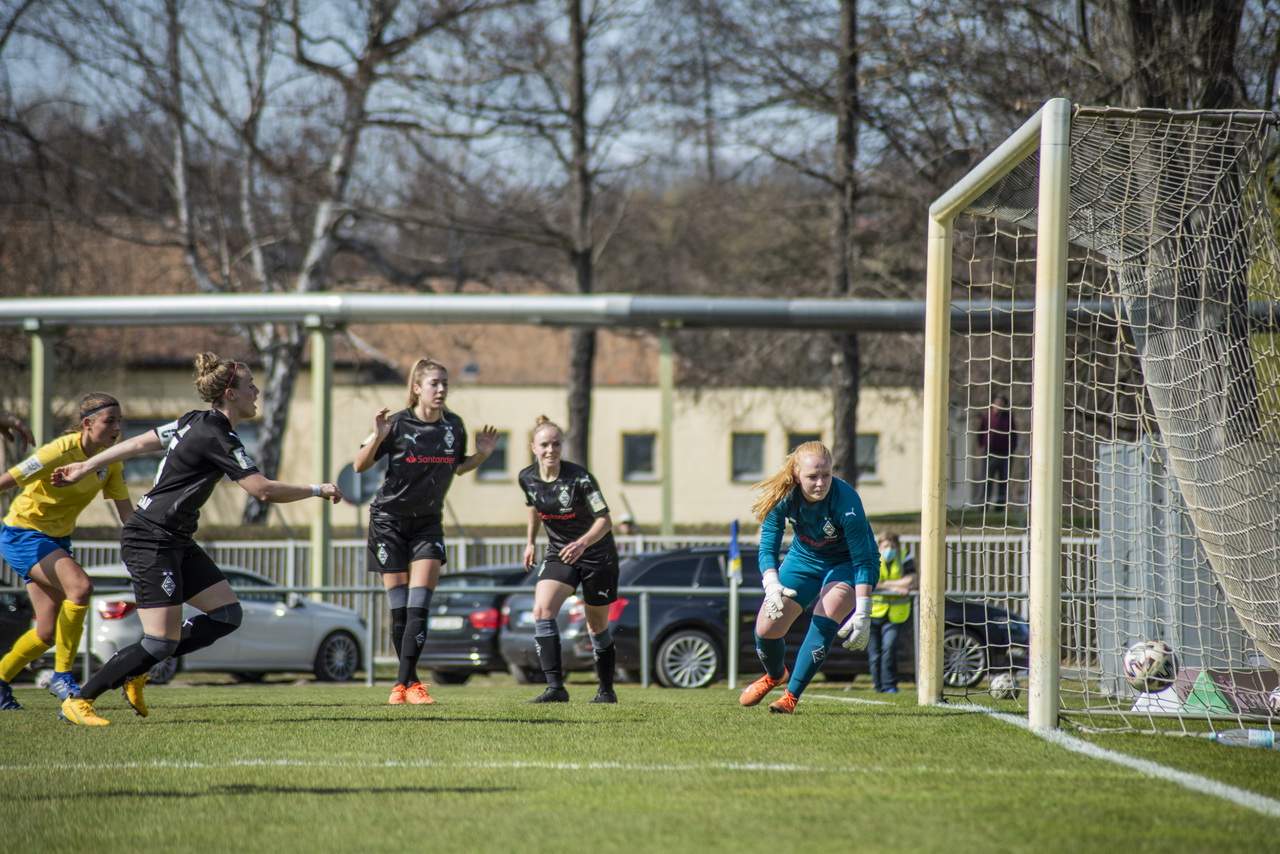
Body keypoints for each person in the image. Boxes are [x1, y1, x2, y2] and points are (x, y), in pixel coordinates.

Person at [51, 353, 342, 726]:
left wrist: (87, 465)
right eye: (250, 385)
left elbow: (142, 442)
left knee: (226, 615)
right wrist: (317, 488)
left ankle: (140, 670)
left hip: (176, 538)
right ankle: (79, 700)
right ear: (230, 393)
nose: (256, 391)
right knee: (159, 641)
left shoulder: (194, 421)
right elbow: (262, 491)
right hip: (150, 538)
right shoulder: (215, 433)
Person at [354, 357, 497, 706]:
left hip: (427, 523)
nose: (442, 389)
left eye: (445, 383)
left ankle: (406, 685)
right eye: (435, 383)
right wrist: (378, 435)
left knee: (420, 605)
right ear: (417, 388)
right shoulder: (397, 423)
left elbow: (459, 468)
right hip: (388, 521)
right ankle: (408, 683)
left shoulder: (454, 425)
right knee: (400, 608)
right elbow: (359, 465)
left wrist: (482, 455)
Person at [0, 394, 133, 710]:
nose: (116, 427)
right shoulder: (58, 451)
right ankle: (62, 675)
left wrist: (149, 539)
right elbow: (8, 480)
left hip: (57, 540)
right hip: (22, 533)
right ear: (87, 424)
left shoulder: (110, 460)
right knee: (81, 587)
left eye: (119, 420)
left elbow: (126, 513)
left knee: (45, 633)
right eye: (109, 421)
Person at [738, 441, 879, 714]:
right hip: (805, 558)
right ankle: (775, 675)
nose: (820, 483)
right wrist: (772, 584)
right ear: (796, 475)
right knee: (766, 628)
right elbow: (767, 545)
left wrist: (863, 610)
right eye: (812, 476)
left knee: (825, 614)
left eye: (826, 475)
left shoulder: (847, 501)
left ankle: (790, 698)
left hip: (849, 563)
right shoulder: (783, 496)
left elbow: (862, 558)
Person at [518, 415, 620, 704]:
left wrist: (583, 543)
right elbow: (532, 507)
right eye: (545, 445)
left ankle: (606, 691)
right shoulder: (526, 477)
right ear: (533, 448)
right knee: (542, 610)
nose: (551, 450)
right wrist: (529, 542)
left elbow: (605, 520)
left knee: (596, 626)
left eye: (556, 444)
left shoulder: (580, 478)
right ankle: (555, 688)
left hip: (597, 555)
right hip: (560, 552)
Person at [866, 532, 916, 694]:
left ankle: (889, 686)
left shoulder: (904, 556)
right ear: (879, 547)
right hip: (874, 612)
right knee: (874, 654)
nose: (889, 550)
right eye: (886, 546)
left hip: (896, 613)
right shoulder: (872, 558)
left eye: (892, 546)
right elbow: (871, 582)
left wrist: (884, 584)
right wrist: (894, 587)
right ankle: (877, 685)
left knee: (889, 648)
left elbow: (911, 579)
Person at [978, 394, 1017, 507]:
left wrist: (1011, 450)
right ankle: (983, 505)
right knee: (986, 481)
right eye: (996, 403)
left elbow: (1014, 435)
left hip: (1005, 455)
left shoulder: (1008, 418)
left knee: (1003, 481)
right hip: (989, 454)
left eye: (1001, 404)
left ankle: (1000, 507)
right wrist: (982, 446)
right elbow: (980, 432)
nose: (998, 406)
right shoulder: (987, 417)